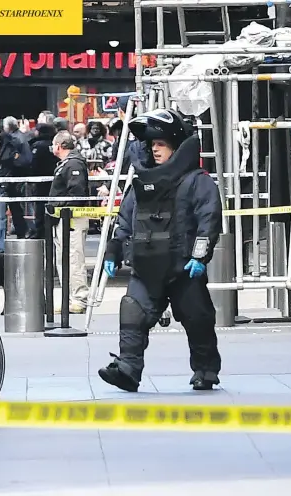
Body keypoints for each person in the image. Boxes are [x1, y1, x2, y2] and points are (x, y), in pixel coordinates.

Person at [98, 109, 223, 392]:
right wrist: (114, 250)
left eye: (161, 144)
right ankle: (128, 369)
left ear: (176, 147)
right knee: (132, 312)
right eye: (151, 145)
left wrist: (200, 256)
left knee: (198, 318)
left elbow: (209, 218)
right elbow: (125, 220)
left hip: (183, 267)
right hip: (145, 266)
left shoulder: (196, 181)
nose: (155, 150)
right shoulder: (140, 185)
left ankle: (205, 370)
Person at [48, 131, 90, 314]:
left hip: (71, 218)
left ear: (59, 146)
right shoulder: (67, 164)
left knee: (73, 258)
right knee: (64, 260)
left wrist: (59, 206)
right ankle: (69, 298)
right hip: (63, 218)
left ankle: (79, 299)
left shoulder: (73, 164)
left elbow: (76, 192)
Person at [3, 116, 33, 238]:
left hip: (17, 176)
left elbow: (18, 159)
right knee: (21, 206)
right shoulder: (23, 137)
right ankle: (24, 229)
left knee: (18, 207)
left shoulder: (14, 140)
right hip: (22, 175)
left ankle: (24, 230)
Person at [27, 123, 58, 239]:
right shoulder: (54, 144)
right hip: (55, 180)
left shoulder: (37, 146)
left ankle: (40, 230)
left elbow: (33, 164)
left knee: (40, 206)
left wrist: (30, 176)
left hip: (40, 181)